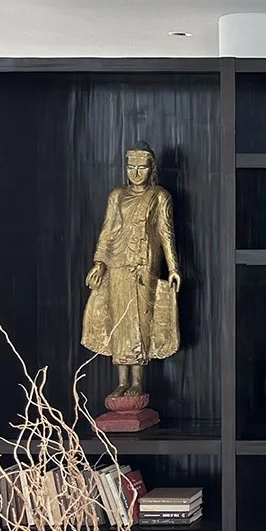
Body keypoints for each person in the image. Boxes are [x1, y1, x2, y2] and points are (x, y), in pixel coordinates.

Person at [81, 143, 182, 399]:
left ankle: (137, 382)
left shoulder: (159, 196)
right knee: (120, 321)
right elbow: (108, 230)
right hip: (117, 263)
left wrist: (173, 267)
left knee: (139, 320)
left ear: (151, 169)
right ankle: (121, 381)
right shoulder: (117, 195)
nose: (136, 173)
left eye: (142, 167)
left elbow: (165, 233)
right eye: (131, 167)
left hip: (144, 263)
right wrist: (99, 262)